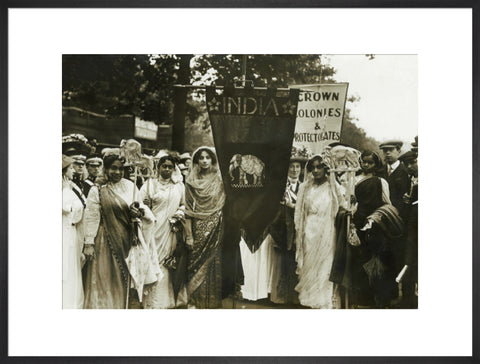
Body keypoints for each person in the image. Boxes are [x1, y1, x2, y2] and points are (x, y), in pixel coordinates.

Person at [83, 154, 158, 309]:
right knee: (105, 277)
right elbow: (92, 217)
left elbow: (143, 209)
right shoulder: (97, 189)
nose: (117, 172)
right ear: (106, 169)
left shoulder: (130, 186)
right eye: (113, 168)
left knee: (126, 277)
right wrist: (89, 243)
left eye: (120, 169)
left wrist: (138, 213)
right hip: (105, 240)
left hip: (127, 237)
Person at [294, 154, 346, 309]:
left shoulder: (333, 187)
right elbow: (298, 211)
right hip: (309, 230)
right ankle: (310, 299)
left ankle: (325, 300)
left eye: (319, 167)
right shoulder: (305, 187)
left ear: (326, 169)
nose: (316, 171)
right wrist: (299, 230)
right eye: (313, 168)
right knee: (310, 264)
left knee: (325, 264)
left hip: (327, 230)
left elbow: (343, 205)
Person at [350, 150, 398, 308]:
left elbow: (387, 204)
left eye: (369, 162)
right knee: (360, 260)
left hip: (375, 226)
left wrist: (375, 219)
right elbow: (353, 202)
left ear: (376, 164)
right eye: (363, 161)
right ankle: (364, 299)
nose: (366, 165)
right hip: (358, 223)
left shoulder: (380, 181)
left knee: (377, 262)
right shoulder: (355, 179)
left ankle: (380, 299)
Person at [140, 151, 187, 309]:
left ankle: (165, 301)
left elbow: (184, 204)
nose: (167, 169)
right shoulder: (149, 185)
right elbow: (139, 205)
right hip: (152, 228)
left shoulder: (179, 186)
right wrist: (146, 208)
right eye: (164, 166)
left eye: (170, 167)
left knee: (166, 262)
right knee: (152, 259)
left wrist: (178, 215)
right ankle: (149, 301)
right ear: (158, 167)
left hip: (170, 229)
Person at [184, 147, 226, 308]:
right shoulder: (190, 181)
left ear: (213, 160)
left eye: (208, 157)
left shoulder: (220, 180)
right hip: (197, 226)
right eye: (201, 158)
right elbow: (188, 210)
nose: (204, 160)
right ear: (196, 161)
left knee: (213, 262)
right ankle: (195, 301)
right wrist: (189, 235)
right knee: (195, 262)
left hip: (216, 224)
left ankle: (212, 302)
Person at [268, 150, 306, 305]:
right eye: (291, 167)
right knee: (282, 263)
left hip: (300, 229)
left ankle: (296, 298)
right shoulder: (280, 187)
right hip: (282, 229)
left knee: (297, 263)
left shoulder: (304, 187)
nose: (294, 170)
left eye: (297, 167)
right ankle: (281, 297)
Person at [62, 155, 85, 309]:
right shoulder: (64, 189)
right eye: (70, 168)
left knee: (71, 268)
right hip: (64, 232)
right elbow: (68, 208)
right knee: (66, 268)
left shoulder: (69, 186)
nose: (73, 170)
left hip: (70, 231)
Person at [398, 148, 418, 308]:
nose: (410, 166)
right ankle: (408, 299)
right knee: (409, 260)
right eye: (407, 164)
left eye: (413, 162)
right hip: (411, 227)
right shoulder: (410, 179)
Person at [378, 140, 410, 219]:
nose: (387, 153)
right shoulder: (379, 171)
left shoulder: (406, 171)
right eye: (385, 150)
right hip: (381, 214)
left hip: (399, 215)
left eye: (391, 150)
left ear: (399, 151)